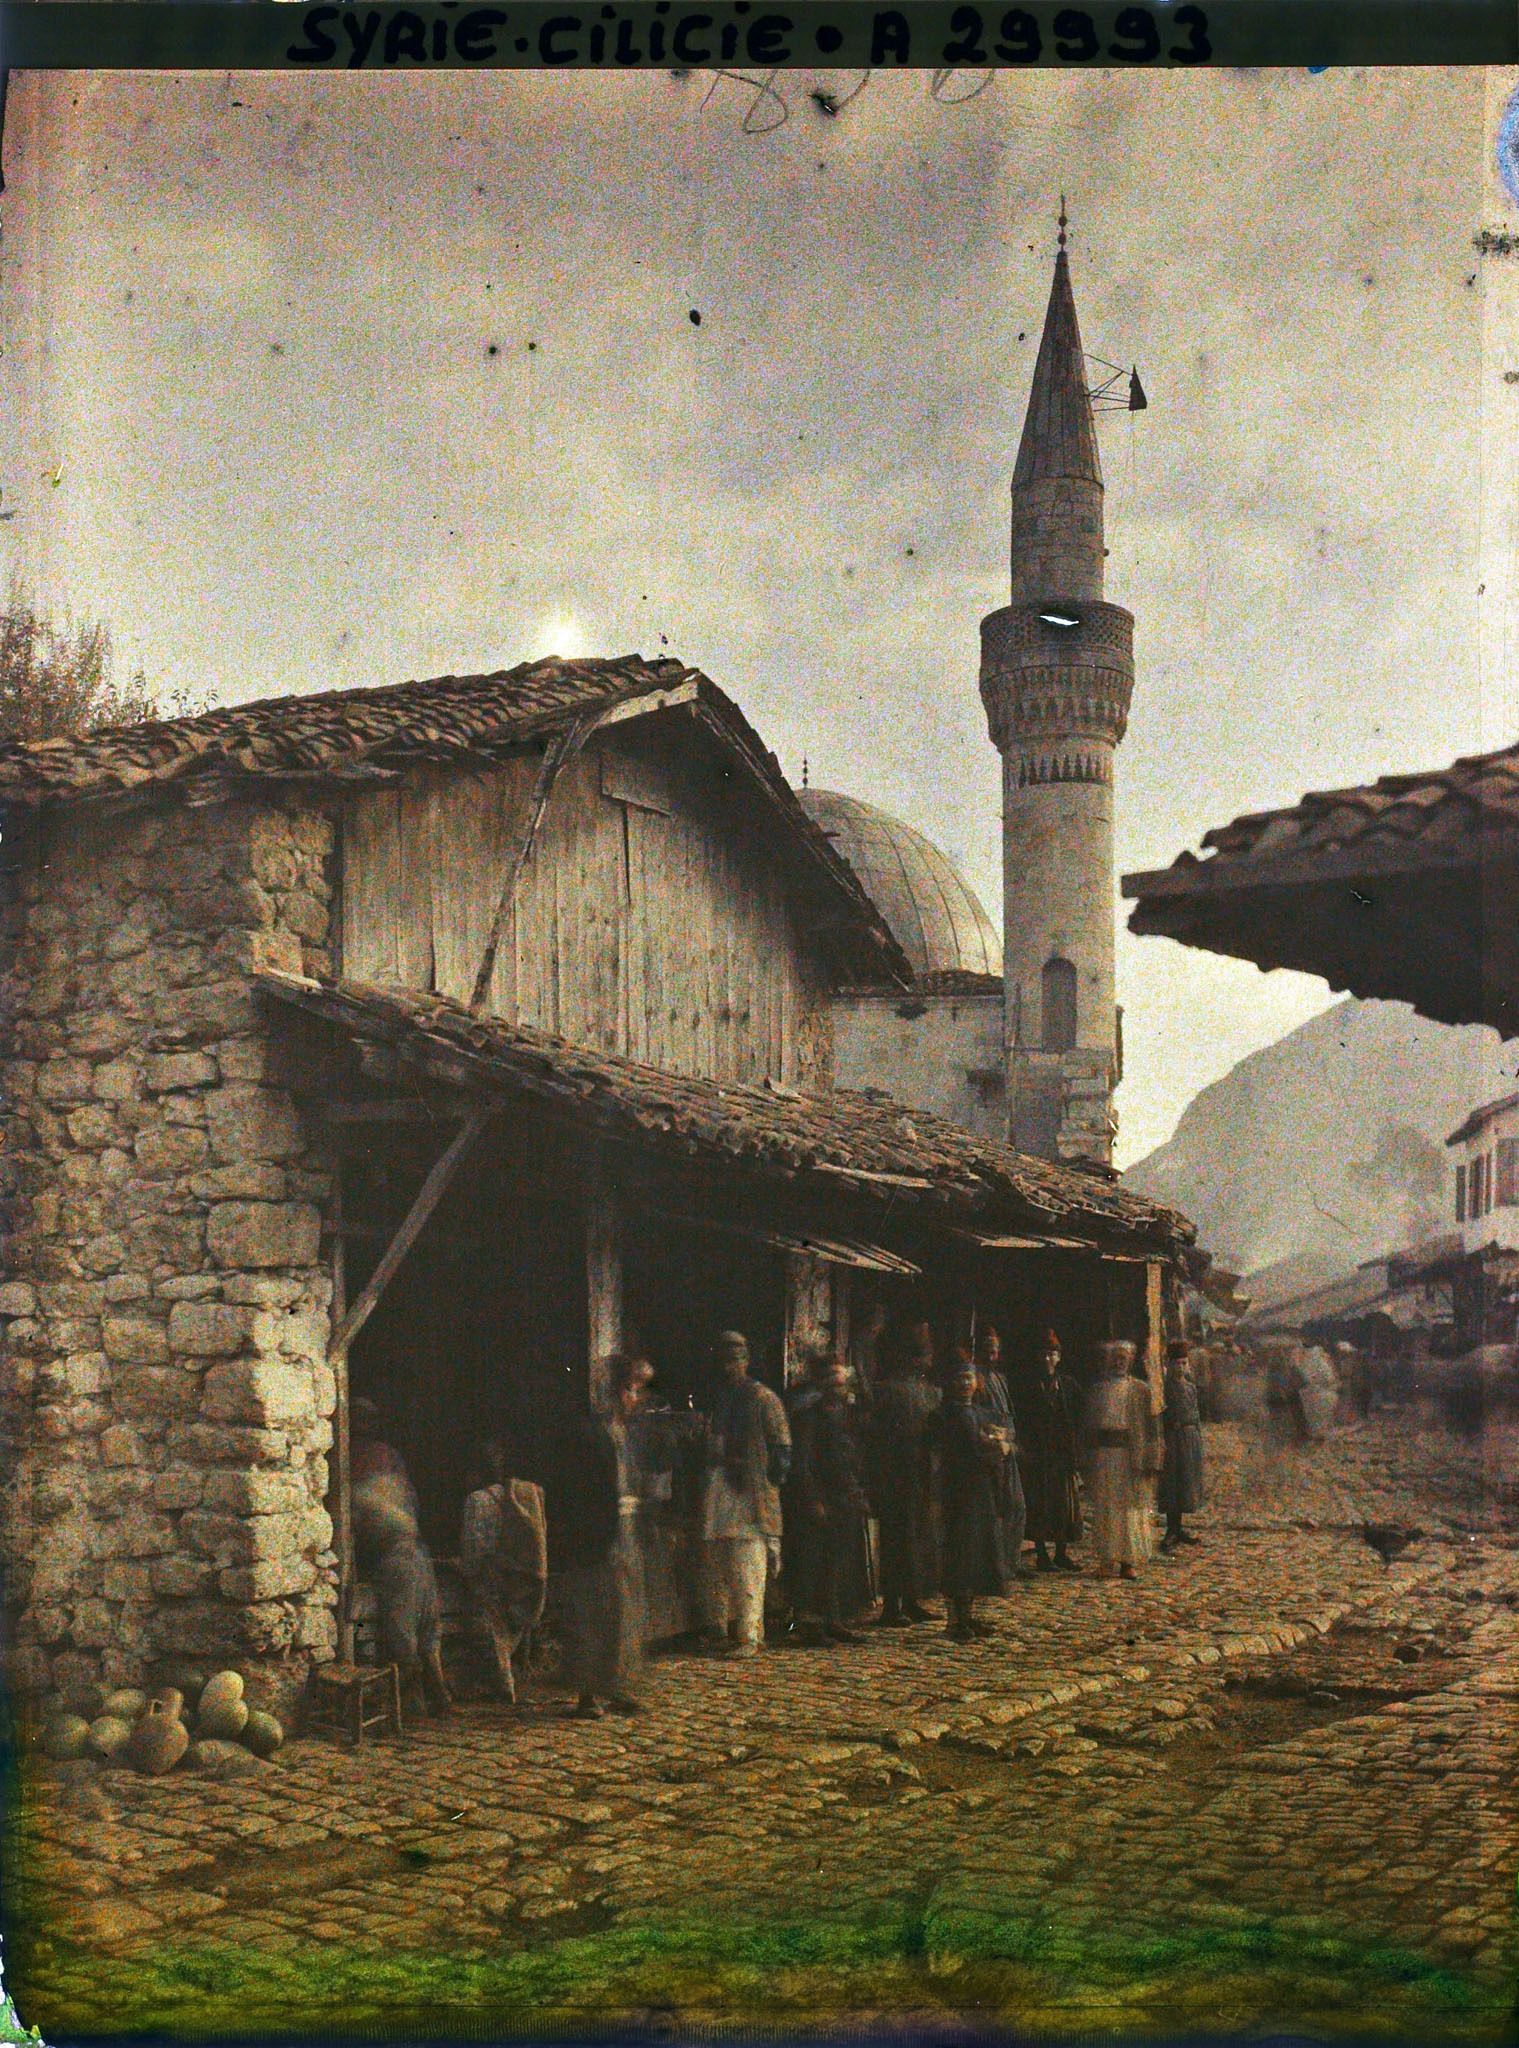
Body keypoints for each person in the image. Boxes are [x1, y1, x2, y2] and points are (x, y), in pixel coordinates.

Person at [544, 1355, 654, 1718]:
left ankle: (619, 1688)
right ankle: (589, 1695)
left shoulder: (632, 1436)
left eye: (638, 1391)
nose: (635, 1398)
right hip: (595, 1535)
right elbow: (575, 1491)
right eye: (630, 1390)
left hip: (626, 1533)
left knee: (626, 1615)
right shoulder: (590, 1434)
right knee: (592, 1615)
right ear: (617, 1392)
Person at [349, 1396, 452, 1714]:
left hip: (398, 1557)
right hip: (412, 1551)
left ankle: (417, 1702)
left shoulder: (366, 1460)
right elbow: (409, 1505)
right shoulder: (383, 1459)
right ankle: (436, 1697)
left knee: (404, 1634)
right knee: (425, 1633)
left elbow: (363, 1521)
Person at [695, 1331, 792, 1659]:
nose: (730, 1367)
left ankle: (749, 1635)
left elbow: (781, 1450)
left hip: (750, 1497)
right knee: (718, 1563)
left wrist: (766, 1481)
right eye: (724, 1361)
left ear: (747, 1361)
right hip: (719, 1491)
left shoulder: (764, 1399)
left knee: (748, 1565)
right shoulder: (719, 1400)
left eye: (736, 1360)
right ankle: (719, 1630)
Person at [786, 1351, 870, 1645]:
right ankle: (809, 1625)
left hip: (844, 1497)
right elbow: (803, 1462)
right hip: (820, 1498)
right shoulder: (810, 1417)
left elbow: (854, 1456)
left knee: (836, 1562)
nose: (838, 1387)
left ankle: (833, 1619)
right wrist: (812, 1498)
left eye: (841, 1381)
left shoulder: (847, 1416)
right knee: (812, 1562)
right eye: (832, 1382)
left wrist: (858, 1493)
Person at [459, 1436, 547, 1704]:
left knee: (491, 1633)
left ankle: (502, 1686)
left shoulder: (477, 1501)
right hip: (517, 1583)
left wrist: (457, 1566)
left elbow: (473, 1556)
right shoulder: (517, 1496)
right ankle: (509, 1680)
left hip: (493, 1585)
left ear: (474, 1472)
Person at [934, 1359, 1015, 1639]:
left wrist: (999, 1444)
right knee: (960, 1554)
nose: (965, 1384)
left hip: (981, 1490)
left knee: (978, 1553)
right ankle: (954, 1622)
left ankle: (968, 1616)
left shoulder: (981, 1413)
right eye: (959, 1379)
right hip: (958, 1490)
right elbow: (954, 1453)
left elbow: (996, 1440)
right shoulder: (944, 1415)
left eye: (969, 1378)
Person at [867, 1324, 942, 1626]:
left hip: (918, 1474)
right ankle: (893, 1605)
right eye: (924, 1355)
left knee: (916, 1540)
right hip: (896, 1475)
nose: (928, 1360)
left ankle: (911, 1600)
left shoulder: (928, 1392)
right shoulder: (889, 1392)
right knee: (898, 1541)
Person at [1080, 1341, 1154, 1581]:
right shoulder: (1098, 1390)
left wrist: (1150, 1459)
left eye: (1123, 1357)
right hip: (1104, 1456)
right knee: (1106, 1509)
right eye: (1115, 1358)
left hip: (1130, 1456)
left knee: (1129, 1511)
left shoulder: (1141, 1390)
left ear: (1130, 1361)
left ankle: (1128, 1561)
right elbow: (1089, 1428)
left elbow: (1152, 1428)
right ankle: (1106, 1559)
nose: (1119, 1362)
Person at [1018, 1330, 1083, 1572]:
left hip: (1062, 1455)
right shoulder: (1029, 1387)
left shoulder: (1068, 1386)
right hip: (1039, 1455)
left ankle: (1061, 1553)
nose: (1047, 1359)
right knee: (1039, 1505)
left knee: (1063, 1506)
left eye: (1052, 1355)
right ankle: (1042, 1555)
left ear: (1059, 1358)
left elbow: (1078, 1417)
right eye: (1044, 1355)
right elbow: (1022, 1419)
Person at [968, 1331, 1027, 1576]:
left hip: (1007, 1448)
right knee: (995, 1509)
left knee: (1016, 1506)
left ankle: (1011, 1561)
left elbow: (1007, 1413)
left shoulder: (999, 1378)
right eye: (987, 1349)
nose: (992, 1354)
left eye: (995, 1349)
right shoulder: (975, 1379)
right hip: (989, 1451)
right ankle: (994, 1564)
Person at [1159, 1339, 1206, 1552]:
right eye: (1176, 1363)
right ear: (1169, 1364)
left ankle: (1179, 1528)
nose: (1180, 1367)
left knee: (1187, 1481)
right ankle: (1171, 1529)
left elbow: (1196, 1414)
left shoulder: (1190, 1387)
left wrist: (1198, 1436)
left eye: (1184, 1363)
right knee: (1172, 1482)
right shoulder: (1164, 1388)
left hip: (1189, 1438)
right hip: (1172, 1437)